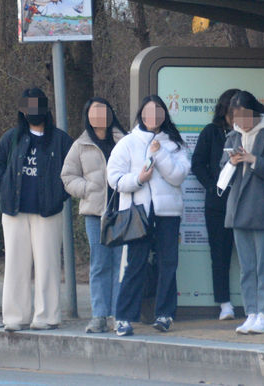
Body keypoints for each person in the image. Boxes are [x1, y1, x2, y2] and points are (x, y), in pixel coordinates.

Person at [0, 87, 73, 332]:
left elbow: (72, 171)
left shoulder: (60, 139)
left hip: (48, 211)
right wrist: (0, 186)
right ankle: (15, 317)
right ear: (22, 110)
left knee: (48, 265)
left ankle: (46, 316)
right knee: (15, 264)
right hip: (14, 211)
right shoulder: (11, 138)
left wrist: (60, 195)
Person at [107, 95, 191, 337]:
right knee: (136, 264)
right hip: (138, 212)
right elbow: (114, 177)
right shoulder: (127, 143)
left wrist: (160, 154)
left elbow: (178, 176)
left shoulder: (175, 143)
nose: (153, 117)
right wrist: (138, 180)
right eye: (148, 112)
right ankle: (123, 317)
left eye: (158, 112)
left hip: (169, 213)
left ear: (165, 115)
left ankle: (164, 314)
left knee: (168, 263)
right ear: (141, 115)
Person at [221, 90, 264, 335]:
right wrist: (231, 162)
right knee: (246, 266)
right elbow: (222, 170)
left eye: (244, 115)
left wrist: (253, 160)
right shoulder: (232, 137)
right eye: (235, 116)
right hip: (239, 208)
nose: (240, 121)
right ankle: (250, 312)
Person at [61, 97, 127, 333]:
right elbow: (68, 176)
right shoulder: (80, 144)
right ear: (87, 116)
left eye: (104, 111)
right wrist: (87, 189)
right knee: (99, 264)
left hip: (123, 211)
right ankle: (99, 315)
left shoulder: (124, 140)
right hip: (95, 213)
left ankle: (119, 315)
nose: (100, 116)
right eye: (94, 112)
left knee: (120, 264)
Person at [191, 89, 240, 321]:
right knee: (220, 255)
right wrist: (212, 187)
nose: (235, 115)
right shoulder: (211, 132)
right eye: (232, 111)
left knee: (248, 254)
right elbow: (197, 164)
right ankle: (225, 303)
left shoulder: (249, 133)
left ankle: (255, 303)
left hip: (245, 203)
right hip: (217, 204)